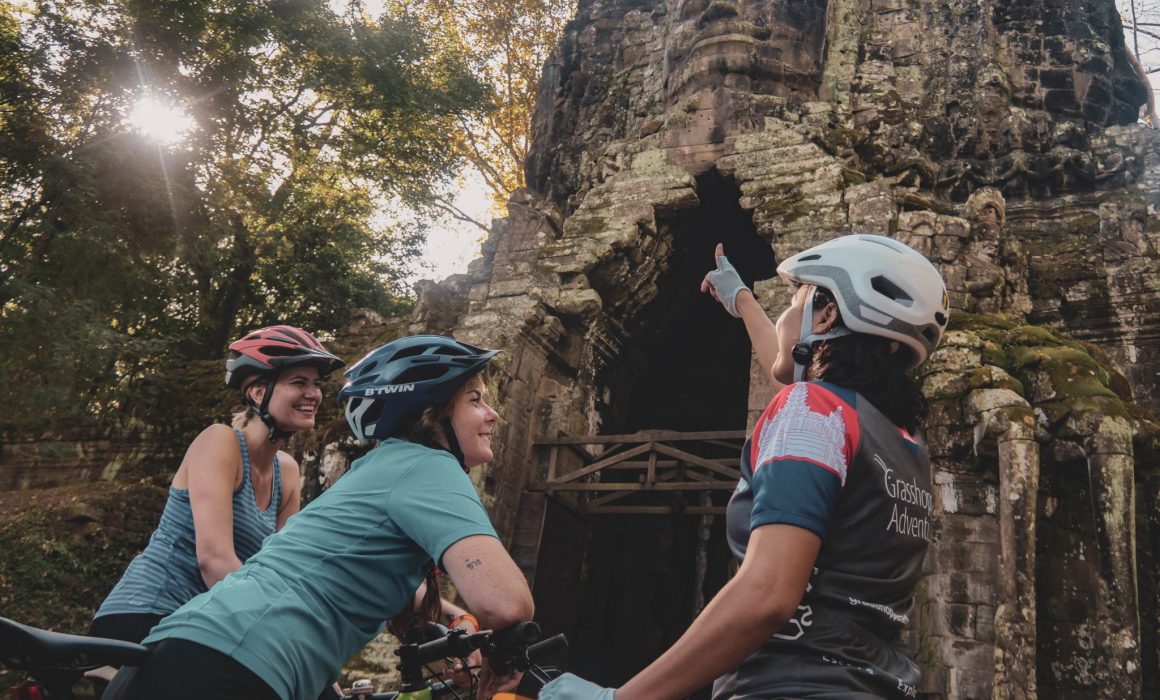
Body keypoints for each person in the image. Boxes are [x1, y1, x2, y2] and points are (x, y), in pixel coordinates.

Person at [542, 234, 949, 699]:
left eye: (794, 301)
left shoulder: (813, 410)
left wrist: (622, 699)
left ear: (828, 313)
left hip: (791, 684)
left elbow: (767, 595)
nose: (783, 317)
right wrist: (741, 300)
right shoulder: (902, 444)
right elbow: (795, 370)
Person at [112, 335, 535, 700]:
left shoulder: (379, 469)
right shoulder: (428, 466)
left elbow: (350, 576)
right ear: (432, 413)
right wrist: (503, 647)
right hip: (229, 661)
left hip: (195, 650)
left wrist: (457, 621)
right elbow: (507, 603)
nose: (493, 414)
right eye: (475, 399)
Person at [90, 325, 345, 645]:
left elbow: (284, 568)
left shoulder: (287, 472)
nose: (314, 394)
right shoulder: (220, 442)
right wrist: (282, 627)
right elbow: (213, 560)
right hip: (145, 617)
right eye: (299, 382)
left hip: (207, 624)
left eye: (316, 384)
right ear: (256, 392)